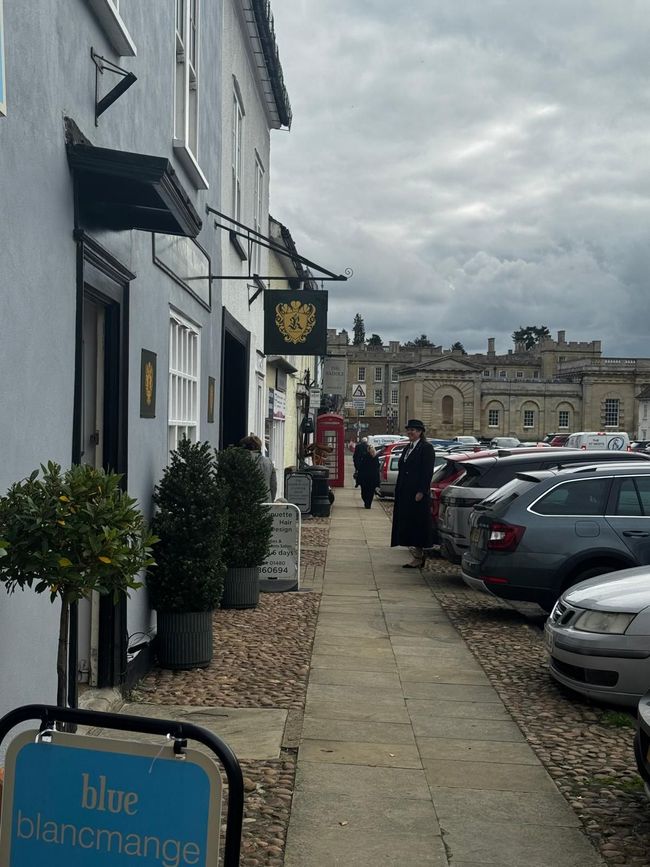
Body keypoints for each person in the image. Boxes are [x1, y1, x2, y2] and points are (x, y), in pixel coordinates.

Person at [391, 419, 435, 568]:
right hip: (405, 492)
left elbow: (427, 472)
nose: (410, 432)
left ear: (420, 432)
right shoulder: (407, 447)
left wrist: (422, 491)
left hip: (417, 494)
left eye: (414, 430)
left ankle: (418, 556)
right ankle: (417, 555)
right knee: (408, 524)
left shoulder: (426, 448)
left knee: (418, 525)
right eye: (409, 429)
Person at [239, 434, 277, 501]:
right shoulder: (268, 462)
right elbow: (273, 485)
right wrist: (271, 501)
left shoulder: (239, 461)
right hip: (265, 503)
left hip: (245, 503)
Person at [356, 444, 380, 509]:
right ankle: (368, 503)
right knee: (371, 492)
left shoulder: (365, 456)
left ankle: (367, 502)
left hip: (365, 478)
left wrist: (358, 479)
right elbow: (377, 467)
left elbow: (361, 467)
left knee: (364, 492)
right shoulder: (376, 458)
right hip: (372, 478)